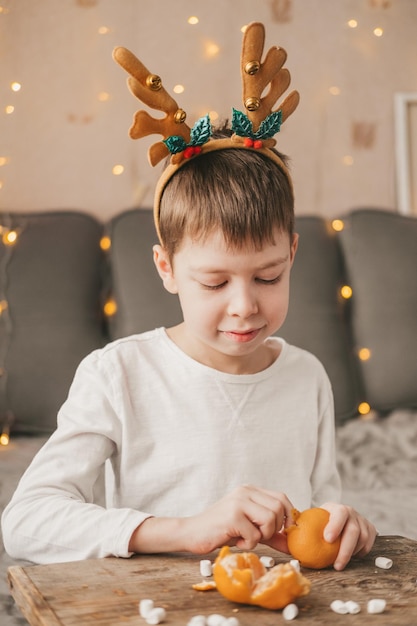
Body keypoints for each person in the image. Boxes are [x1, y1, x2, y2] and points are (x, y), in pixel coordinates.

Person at [2, 24, 377, 569]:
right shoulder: (119, 374)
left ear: (293, 255)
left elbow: (317, 517)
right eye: (214, 282)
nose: (245, 305)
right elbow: (26, 521)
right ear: (167, 268)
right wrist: (185, 530)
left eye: (268, 277)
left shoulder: (307, 378)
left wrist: (345, 525)